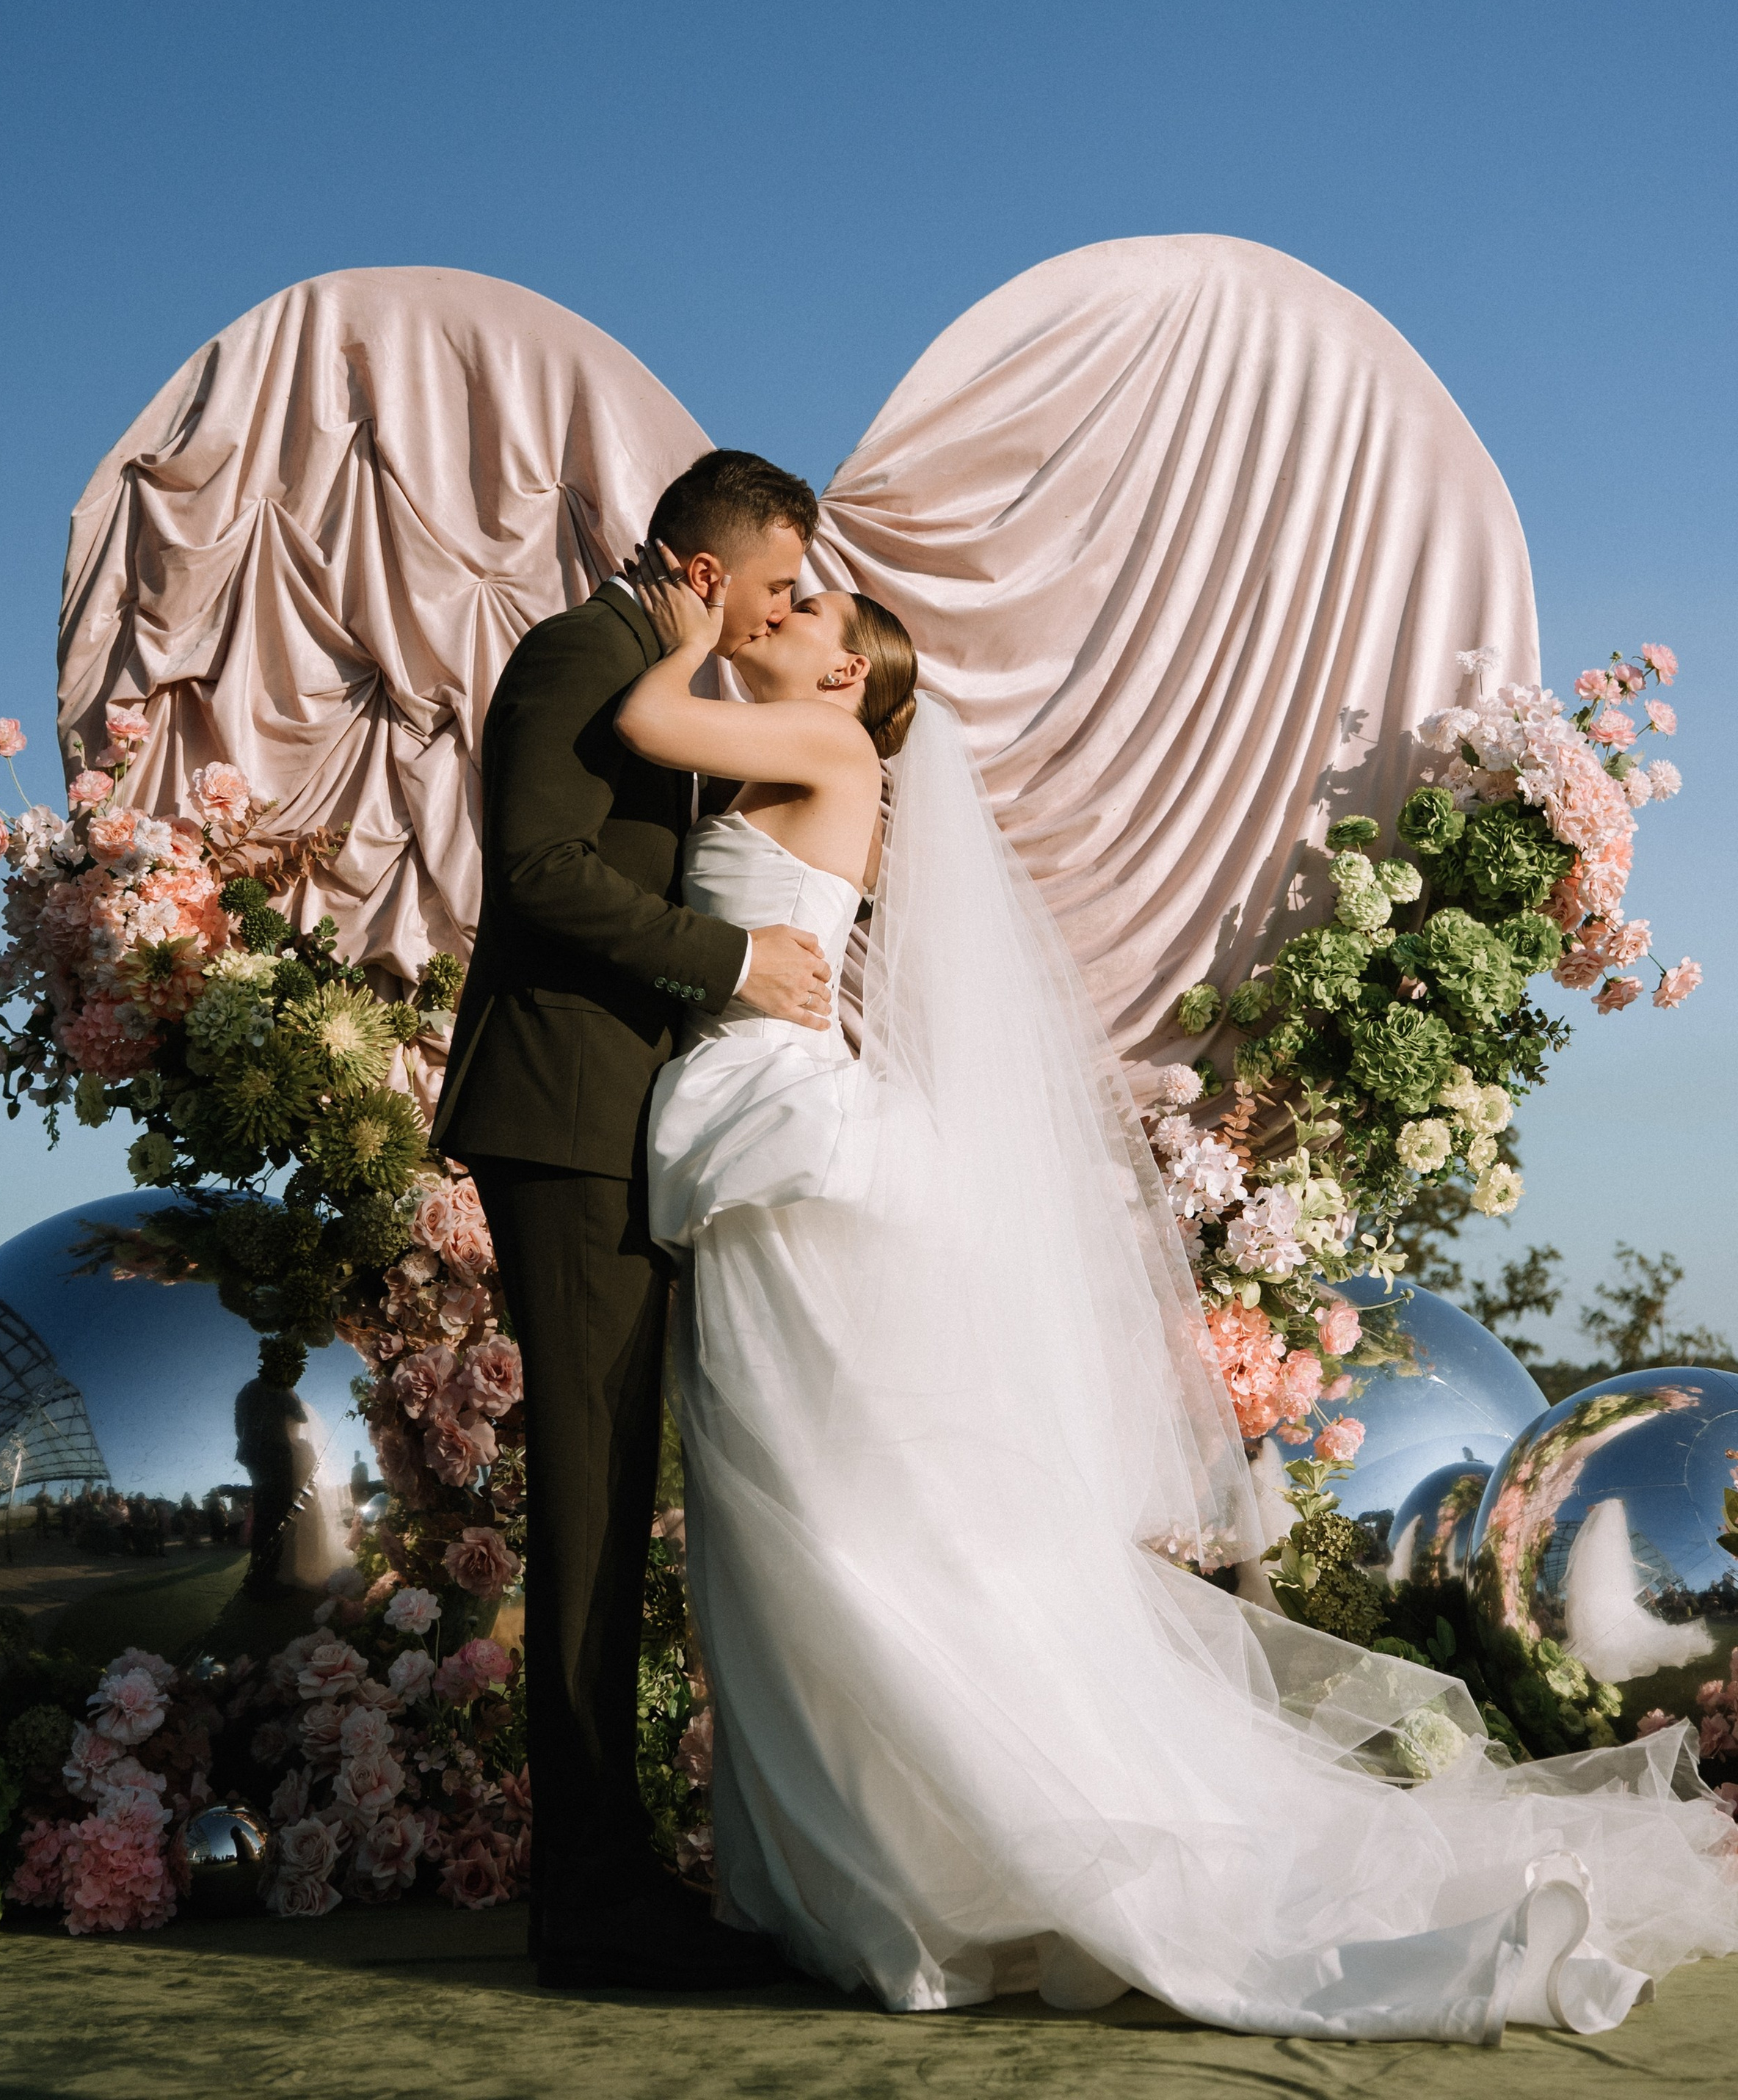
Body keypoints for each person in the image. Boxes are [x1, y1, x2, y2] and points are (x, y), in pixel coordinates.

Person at [618, 565, 1738, 2042]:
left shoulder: (826, 748)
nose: (784, 616)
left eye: (812, 611)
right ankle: (879, 1866)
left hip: (799, 1146)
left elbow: (641, 718)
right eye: (786, 598)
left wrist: (683, 632)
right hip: (768, 1141)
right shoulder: (794, 759)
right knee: (804, 1512)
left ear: (847, 681)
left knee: (847, 1513)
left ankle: (972, 1855)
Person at [433, 449, 831, 1991]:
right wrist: (729, 965)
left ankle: (612, 1869)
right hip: (561, 1124)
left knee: (614, 1503)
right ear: (710, 568)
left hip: (624, 1133)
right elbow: (534, 873)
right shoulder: (571, 658)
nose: (795, 610)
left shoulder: (656, 669)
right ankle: (590, 1908)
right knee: (588, 1510)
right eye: (783, 584)